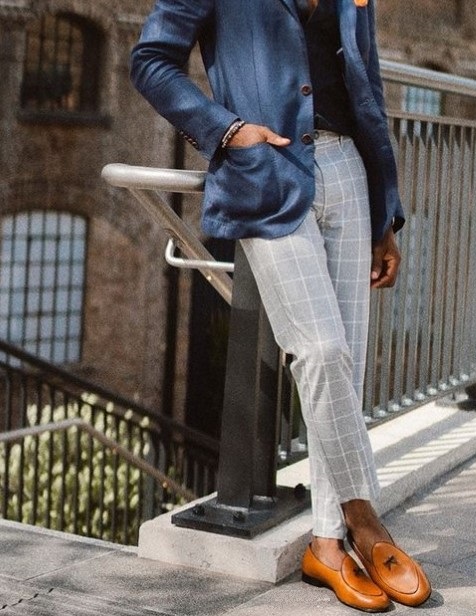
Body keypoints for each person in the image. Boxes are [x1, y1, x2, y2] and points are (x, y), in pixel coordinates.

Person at [131, 0, 431, 611]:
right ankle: (364, 518)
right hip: (267, 174)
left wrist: (386, 215)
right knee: (319, 351)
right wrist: (226, 130)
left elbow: (366, 87)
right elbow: (151, 60)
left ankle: (326, 543)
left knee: (347, 359)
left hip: (349, 171)